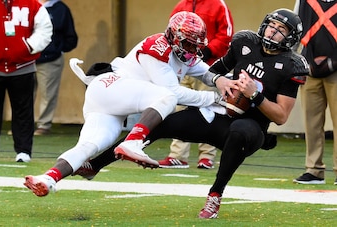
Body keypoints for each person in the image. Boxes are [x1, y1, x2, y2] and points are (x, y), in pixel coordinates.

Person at [71, 8, 309, 219]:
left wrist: (254, 95)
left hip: (251, 127)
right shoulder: (244, 43)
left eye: (280, 29)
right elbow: (214, 72)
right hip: (219, 115)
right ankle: (95, 165)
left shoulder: (291, 64)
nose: (272, 32)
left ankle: (215, 196)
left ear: (290, 38)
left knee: (238, 131)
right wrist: (223, 83)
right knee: (163, 123)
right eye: (272, 25)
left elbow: (280, 116)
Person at [23, 11, 228, 196]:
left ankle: (48, 178)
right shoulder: (157, 47)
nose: (192, 49)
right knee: (168, 97)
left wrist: (224, 81)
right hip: (111, 87)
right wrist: (215, 98)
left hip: (111, 103)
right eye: (188, 44)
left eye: (196, 45)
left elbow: (206, 73)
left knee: (88, 146)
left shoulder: (184, 54)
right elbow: (173, 92)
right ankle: (133, 142)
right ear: (174, 37)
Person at [159, 0, 234, 169]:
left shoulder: (218, 5)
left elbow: (226, 36)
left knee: (209, 109)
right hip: (183, 66)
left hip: (208, 68)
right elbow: (169, 33)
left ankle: (207, 156)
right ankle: (177, 155)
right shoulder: (181, 5)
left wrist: (207, 52)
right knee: (179, 107)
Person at [0, 0, 53, 162]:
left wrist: (28, 46)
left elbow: (45, 29)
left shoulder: (32, 4)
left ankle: (23, 151)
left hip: (23, 67)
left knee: (23, 111)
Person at [292, 0, 337, 185]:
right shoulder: (303, 1)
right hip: (309, 67)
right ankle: (314, 170)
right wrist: (293, 62)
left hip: (336, 68)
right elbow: (294, 28)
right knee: (311, 122)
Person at [34, 0, 78, 136]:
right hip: (26, 58)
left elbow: (70, 37)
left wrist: (57, 49)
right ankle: (23, 126)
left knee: (48, 94)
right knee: (24, 95)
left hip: (51, 59)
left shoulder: (60, 8)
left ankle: (43, 125)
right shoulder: (27, 5)